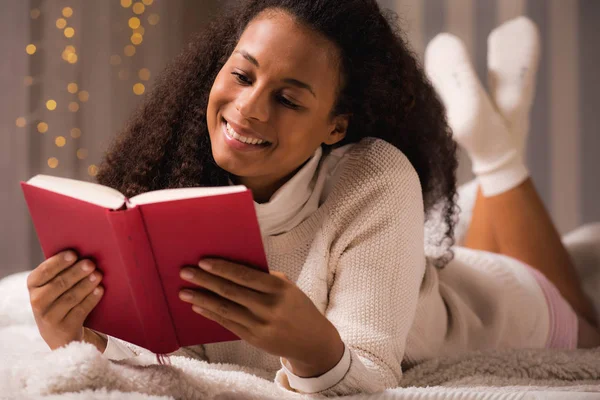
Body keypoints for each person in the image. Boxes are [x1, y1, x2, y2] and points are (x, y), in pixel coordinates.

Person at [25, 1, 599, 397]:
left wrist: (311, 343)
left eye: (290, 99)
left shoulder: (374, 174)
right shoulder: (176, 191)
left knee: (589, 321)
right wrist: (80, 338)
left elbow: (371, 375)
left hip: (503, 309)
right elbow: (175, 361)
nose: (248, 109)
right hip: (431, 274)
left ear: (334, 126)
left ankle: (497, 154)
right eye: (243, 75)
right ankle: (497, 143)